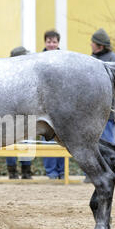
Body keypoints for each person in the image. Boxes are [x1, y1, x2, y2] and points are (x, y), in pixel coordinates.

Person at [84, 28, 115, 183]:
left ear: (99, 45)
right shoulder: (91, 59)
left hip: (111, 112)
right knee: (93, 145)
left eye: (93, 43)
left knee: (109, 145)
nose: (91, 45)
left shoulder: (114, 60)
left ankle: (109, 173)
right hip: (93, 112)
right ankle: (93, 173)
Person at [6, 46, 34, 179]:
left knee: (27, 143)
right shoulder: (8, 75)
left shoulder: (29, 74)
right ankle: (12, 171)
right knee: (10, 143)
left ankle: (26, 170)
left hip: (26, 114)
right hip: (12, 115)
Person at [41, 30, 64, 179]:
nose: (51, 44)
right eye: (49, 41)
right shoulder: (38, 59)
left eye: (54, 41)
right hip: (43, 107)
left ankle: (62, 172)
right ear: (45, 42)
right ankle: (51, 173)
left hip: (61, 107)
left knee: (63, 140)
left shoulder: (64, 59)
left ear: (58, 43)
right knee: (47, 141)